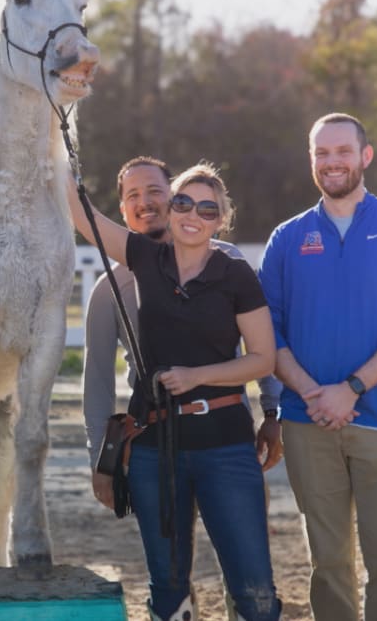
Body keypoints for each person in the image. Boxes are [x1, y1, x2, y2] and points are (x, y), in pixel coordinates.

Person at [66, 162, 282, 621]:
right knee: (167, 590)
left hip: (226, 443)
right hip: (155, 448)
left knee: (255, 590)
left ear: (221, 219)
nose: (192, 214)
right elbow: (84, 217)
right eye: (184, 203)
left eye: (207, 209)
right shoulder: (141, 262)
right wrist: (52, 149)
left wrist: (265, 408)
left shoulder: (235, 271)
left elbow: (264, 357)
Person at [259, 112, 377, 621]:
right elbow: (269, 332)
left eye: (342, 151)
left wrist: (352, 387)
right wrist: (314, 394)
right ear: (311, 160)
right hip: (308, 421)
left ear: (365, 156)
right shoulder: (287, 238)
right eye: (321, 152)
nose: (331, 162)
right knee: (329, 565)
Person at [82, 156, 285, 513]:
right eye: (133, 195)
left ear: (174, 198)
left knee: (246, 537)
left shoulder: (228, 262)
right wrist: (102, 460)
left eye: (154, 191)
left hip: (227, 433)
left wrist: (271, 412)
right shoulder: (108, 289)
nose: (144, 202)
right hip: (154, 436)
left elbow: (261, 346)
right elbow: (98, 381)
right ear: (123, 210)